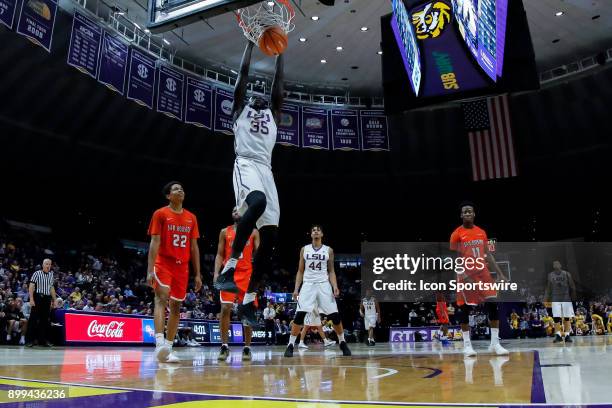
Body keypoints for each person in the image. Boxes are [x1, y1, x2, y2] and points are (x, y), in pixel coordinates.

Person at [214, 40, 285, 326]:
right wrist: (249, 46)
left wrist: (281, 53)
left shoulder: (273, 114)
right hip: (245, 163)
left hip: (266, 169)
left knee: (271, 238)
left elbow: (278, 84)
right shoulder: (239, 110)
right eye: (253, 95)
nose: (259, 97)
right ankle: (229, 268)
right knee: (257, 202)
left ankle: (247, 302)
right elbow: (242, 76)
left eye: (263, 96)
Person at [147, 181, 202, 363]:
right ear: (168, 196)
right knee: (161, 299)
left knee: (177, 307)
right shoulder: (160, 213)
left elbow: (194, 247)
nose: (180, 190)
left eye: (182, 188)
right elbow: (154, 243)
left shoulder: (191, 217)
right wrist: (149, 270)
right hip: (163, 263)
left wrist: (198, 274)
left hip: (182, 267)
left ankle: (168, 349)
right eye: (176, 189)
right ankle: (159, 343)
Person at [450, 202, 509, 356]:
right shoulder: (456, 234)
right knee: (465, 309)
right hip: (466, 274)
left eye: (470, 211)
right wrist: (464, 276)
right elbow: (455, 259)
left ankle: (495, 343)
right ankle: (467, 345)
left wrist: (500, 273)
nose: (468, 213)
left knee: (493, 304)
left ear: (474, 214)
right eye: (465, 212)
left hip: (483, 273)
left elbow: (488, 254)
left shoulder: (481, 232)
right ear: (461, 215)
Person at [284, 225, 351, 357]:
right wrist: (296, 289)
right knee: (299, 315)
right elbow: (300, 271)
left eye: (318, 230)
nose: (315, 231)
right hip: (308, 284)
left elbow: (331, 271)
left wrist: (335, 286)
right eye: (313, 230)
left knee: (334, 315)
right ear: (311, 234)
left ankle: (342, 342)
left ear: (322, 234)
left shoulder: (328, 250)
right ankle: (290, 344)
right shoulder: (304, 249)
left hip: (324, 284)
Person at [214, 207, 259, 361]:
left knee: (246, 311)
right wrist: (216, 273)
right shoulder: (224, 231)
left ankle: (247, 348)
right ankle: (224, 346)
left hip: (247, 274)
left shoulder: (253, 232)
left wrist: (258, 276)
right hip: (229, 273)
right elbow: (220, 254)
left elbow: (259, 255)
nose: (235, 211)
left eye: (238, 209)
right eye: (233, 210)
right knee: (225, 308)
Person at [26, 259, 56, 347]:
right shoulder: (37, 273)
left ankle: (42, 341)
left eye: (50, 264)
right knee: (33, 319)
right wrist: (31, 299)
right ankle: (29, 340)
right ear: (43, 265)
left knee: (45, 320)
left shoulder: (51, 275)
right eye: (46, 264)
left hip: (47, 298)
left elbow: (51, 288)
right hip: (38, 297)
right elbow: (31, 286)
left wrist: (54, 299)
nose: (48, 265)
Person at [544, 260, 576, 343]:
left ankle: (567, 335)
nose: (556, 265)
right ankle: (558, 335)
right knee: (556, 318)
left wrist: (573, 296)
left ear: (560, 265)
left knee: (566, 317)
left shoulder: (566, 274)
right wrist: (546, 298)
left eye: (557, 263)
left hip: (566, 298)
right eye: (554, 264)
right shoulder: (550, 275)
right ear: (553, 266)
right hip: (555, 298)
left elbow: (572, 285)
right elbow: (548, 287)